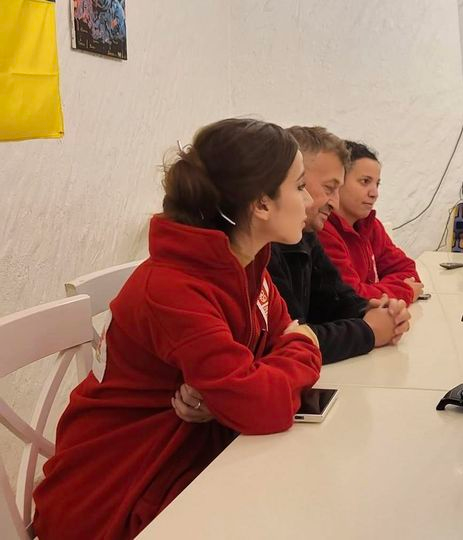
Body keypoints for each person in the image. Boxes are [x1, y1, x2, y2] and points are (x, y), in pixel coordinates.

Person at [32, 118, 324, 540]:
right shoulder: (173, 288)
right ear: (262, 204)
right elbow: (262, 401)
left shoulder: (245, 264)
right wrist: (300, 349)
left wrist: (231, 394)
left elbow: (261, 374)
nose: (310, 200)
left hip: (191, 463)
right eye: (299, 186)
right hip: (118, 495)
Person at [268, 125, 411, 363]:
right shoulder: (263, 250)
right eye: (329, 188)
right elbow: (289, 339)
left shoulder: (305, 236)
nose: (335, 203)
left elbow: (335, 299)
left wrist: (371, 310)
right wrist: (369, 331)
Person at [317, 141, 424, 305]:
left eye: (377, 184)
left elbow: (407, 269)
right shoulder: (323, 229)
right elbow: (352, 296)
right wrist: (405, 291)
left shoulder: (371, 225)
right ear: (338, 182)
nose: (374, 193)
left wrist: (375, 290)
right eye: (365, 181)